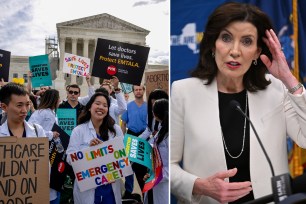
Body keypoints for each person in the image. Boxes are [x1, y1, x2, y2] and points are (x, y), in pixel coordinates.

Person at [170, 2, 306, 204]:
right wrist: (199, 185)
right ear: (213, 44)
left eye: (247, 41)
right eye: (226, 38)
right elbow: (167, 166)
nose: (235, 50)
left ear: (257, 51)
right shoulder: (183, 92)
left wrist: (289, 79)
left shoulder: (276, 89)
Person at [66, 93, 124, 204]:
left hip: (109, 188)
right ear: (89, 107)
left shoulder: (115, 129)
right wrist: (88, 151)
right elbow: (69, 158)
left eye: (105, 105)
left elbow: (122, 156)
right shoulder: (78, 130)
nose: (101, 107)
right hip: (87, 188)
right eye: (97, 103)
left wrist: (106, 152)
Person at [28, 89, 61, 203]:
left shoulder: (51, 113)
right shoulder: (41, 113)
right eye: (58, 98)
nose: (59, 100)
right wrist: (51, 134)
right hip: (43, 150)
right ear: (54, 99)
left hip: (51, 150)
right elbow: (32, 131)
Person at [144, 99, 169, 204]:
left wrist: (155, 176)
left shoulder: (168, 135)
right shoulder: (161, 130)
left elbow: (168, 166)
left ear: (155, 114)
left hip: (164, 182)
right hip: (156, 180)